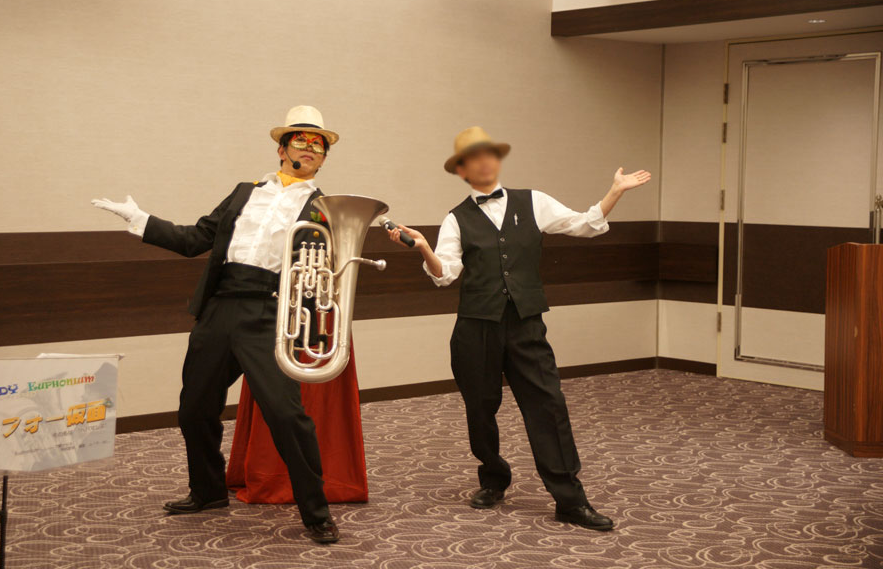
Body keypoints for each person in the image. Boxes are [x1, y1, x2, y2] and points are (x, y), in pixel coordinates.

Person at [91, 105, 343, 544]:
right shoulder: (244, 192)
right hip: (220, 307)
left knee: (287, 416)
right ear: (281, 149)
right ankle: (207, 491)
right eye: (301, 140)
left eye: (318, 145)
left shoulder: (325, 207)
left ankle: (316, 512)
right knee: (195, 409)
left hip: (270, 313)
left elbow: (322, 271)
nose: (309, 149)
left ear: (323, 158)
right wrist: (140, 219)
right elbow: (195, 239)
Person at [386, 125, 651, 531]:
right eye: (473, 158)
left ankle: (570, 500)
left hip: (526, 324)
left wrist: (615, 191)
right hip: (476, 327)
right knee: (480, 408)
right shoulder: (456, 218)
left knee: (548, 406)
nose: (483, 162)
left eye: (489, 154)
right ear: (462, 170)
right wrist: (423, 247)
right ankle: (493, 477)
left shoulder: (534, 202)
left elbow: (584, 224)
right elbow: (446, 274)